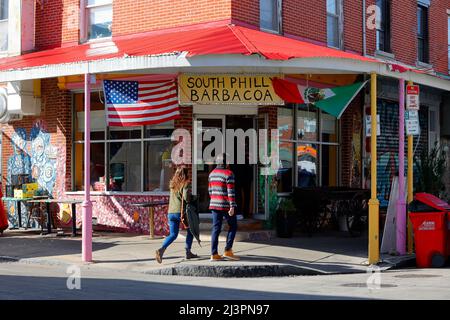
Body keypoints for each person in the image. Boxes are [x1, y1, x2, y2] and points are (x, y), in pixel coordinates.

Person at [155, 166, 198, 263]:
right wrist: (192, 197)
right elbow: (187, 198)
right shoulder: (186, 183)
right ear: (186, 174)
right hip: (181, 212)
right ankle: (188, 251)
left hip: (171, 212)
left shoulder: (172, 184)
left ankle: (161, 249)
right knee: (190, 231)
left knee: (173, 234)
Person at [208, 153, 240, 261]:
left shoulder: (211, 174)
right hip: (226, 205)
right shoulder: (229, 173)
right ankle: (228, 250)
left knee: (216, 229)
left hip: (214, 204)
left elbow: (210, 191)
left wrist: (214, 199)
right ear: (226, 162)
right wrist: (232, 206)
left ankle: (214, 254)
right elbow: (231, 192)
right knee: (233, 226)